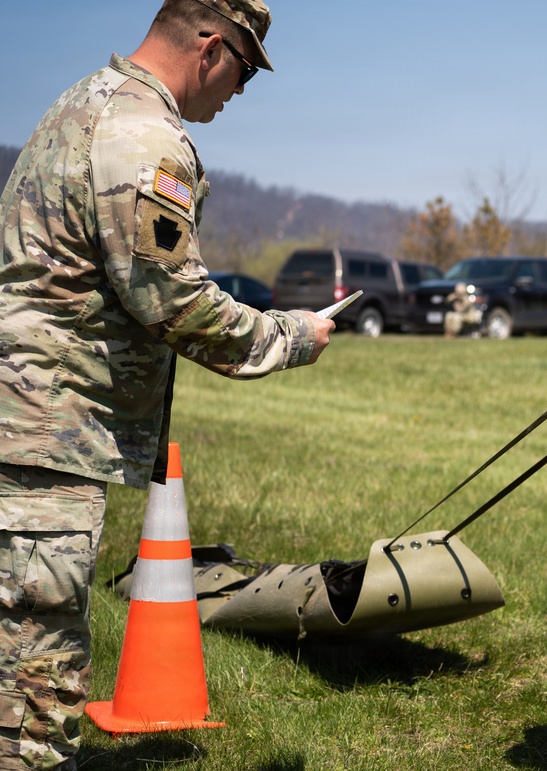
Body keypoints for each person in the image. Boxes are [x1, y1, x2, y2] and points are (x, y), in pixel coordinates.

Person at [0, 1, 337, 767]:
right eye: (246, 69)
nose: (242, 90)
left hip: (21, 419)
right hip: (43, 433)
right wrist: (291, 336)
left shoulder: (78, 103)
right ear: (211, 47)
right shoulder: (145, 137)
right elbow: (172, 300)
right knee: (33, 691)